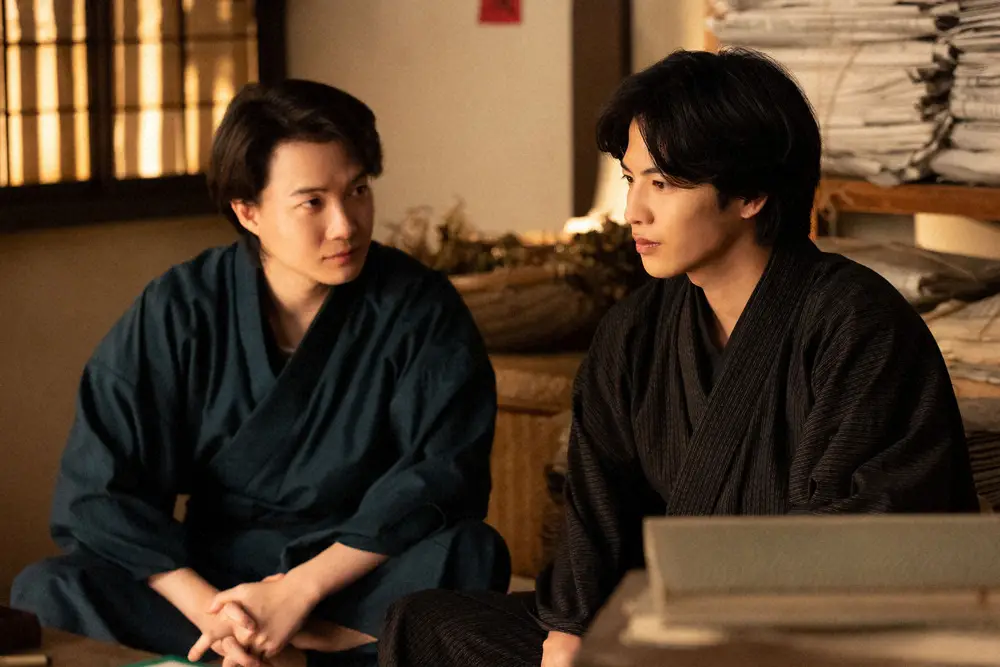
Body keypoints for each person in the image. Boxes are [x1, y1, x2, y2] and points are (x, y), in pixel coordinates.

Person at [376, 47, 979, 667]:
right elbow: (595, 512)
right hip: (666, 624)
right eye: (631, 180)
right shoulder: (635, 331)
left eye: (661, 184)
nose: (633, 212)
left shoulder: (857, 327)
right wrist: (570, 633)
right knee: (428, 626)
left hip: (810, 639)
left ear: (750, 194)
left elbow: (862, 547)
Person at [11, 79, 510, 667]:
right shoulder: (181, 309)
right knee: (49, 589)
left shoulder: (419, 308)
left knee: (470, 554)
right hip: (213, 583)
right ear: (247, 211)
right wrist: (219, 616)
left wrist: (298, 592)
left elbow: (442, 474)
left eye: (357, 191)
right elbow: (100, 490)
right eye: (312, 203)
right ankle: (282, 653)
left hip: (351, 574)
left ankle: (293, 651)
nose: (345, 224)